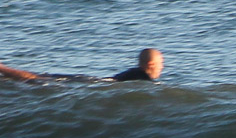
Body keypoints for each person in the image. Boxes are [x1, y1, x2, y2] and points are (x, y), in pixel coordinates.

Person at [0, 48, 164, 84]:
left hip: (95, 80)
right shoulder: (144, 78)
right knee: (38, 79)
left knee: (40, 77)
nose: (162, 68)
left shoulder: (133, 72)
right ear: (150, 64)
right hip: (94, 82)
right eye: (160, 64)